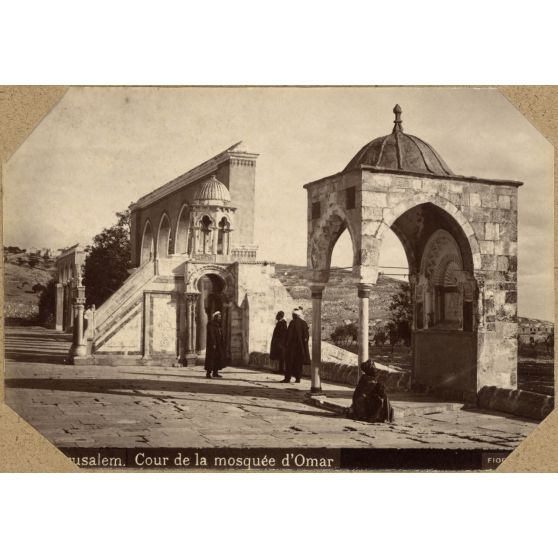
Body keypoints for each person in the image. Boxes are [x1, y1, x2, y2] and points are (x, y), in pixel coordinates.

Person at [282, 308, 310, 383]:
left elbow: (289, 335)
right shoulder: (304, 323)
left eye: (293, 315)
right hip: (300, 348)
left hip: (292, 348)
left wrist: (286, 344)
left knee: (289, 362)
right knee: (298, 363)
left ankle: (287, 378)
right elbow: (306, 336)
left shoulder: (292, 323)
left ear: (295, 315)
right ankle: (298, 378)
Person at [204, 311, 226, 379]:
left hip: (218, 345)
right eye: (219, 316)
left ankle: (215, 373)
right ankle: (208, 373)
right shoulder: (211, 324)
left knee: (217, 358)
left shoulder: (218, 324)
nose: (220, 318)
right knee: (211, 359)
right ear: (215, 317)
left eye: (220, 317)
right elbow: (211, 334)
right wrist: (213, 343)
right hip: (212, 345)